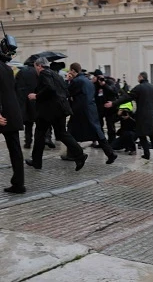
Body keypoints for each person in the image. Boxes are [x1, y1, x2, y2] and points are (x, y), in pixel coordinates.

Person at [25, 58, 88, 171]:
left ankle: (36, 162)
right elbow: (66, 91)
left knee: (39, 134)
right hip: (60, 109)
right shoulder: (56, 75)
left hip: (48, 111)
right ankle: (80, 155)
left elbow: (50, 88)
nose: (36, 70)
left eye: (35, 67)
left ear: (39, 66)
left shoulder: (44, 73)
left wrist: (36, 96)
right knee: (62, 134)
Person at [105, 71, 153, 162]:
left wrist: (113, 103)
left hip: (142, 116)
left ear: (141, 77)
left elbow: (126, 97)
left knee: (142, 135)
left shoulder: (138, 88)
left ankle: (147, 155)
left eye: (138, 77)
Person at [66, 63, 117, 164]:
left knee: (70, 131)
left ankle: (73, 154)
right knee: (97, 132)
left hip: (80, 110)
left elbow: (68, 92)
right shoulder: (88, 81)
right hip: (91, 109)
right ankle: (110, 153)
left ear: (72, 71)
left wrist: (68, 80)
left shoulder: (77, 81)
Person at [0, 50, 26, 194]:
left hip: (3, 113)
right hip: (12, 111)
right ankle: (19, 183)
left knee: (15, 148)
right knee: (15, 149)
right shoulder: (8, 68)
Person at [15, 61, 38, 149]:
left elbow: (15, 84)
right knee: (35, 122)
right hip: (34, 99)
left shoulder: (21, 72)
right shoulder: (36, 72)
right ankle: (40, 140)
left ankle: (27, 142)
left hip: (22, 100)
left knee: (27, 122)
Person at [92, 69, 118, 143]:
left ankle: (112, 141)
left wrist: (104, 84)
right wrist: (92, 83)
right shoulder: (95, 84)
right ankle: (102, 141)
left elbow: (113, 91)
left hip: (109, 107)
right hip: (100, 107)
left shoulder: (109, 81)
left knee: (110, 124)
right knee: (99, 125)